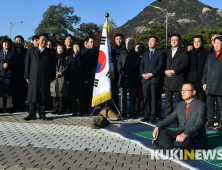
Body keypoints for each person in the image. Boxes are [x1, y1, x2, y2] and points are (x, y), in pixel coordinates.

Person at [153, 81, 207, 150]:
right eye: (182, 90)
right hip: (180, 134)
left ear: (194, 92)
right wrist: (158, 126)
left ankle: (163, 143)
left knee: (186, 142)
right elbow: (170, 118)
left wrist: (185, 134)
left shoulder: (201, 105)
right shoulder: (180, 104)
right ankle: (170, 148)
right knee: (162, 131)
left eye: (186, 90)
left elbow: (199, 124)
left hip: (194, 136)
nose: (183, 92)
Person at [24, 33, 56, 120]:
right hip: (33, 76)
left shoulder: (50, 52)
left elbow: (53, 66)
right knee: (32, 95)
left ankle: (42, 114)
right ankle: (32, 113)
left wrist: (52, 77)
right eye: (42, 40)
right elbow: (27, 64)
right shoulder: (31, 51)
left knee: (43, 95)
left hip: (44, 77)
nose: (44, 42)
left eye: (46, 40)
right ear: (38, 41)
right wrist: (27, 76)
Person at [164, 34, 189, 120]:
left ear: (179, 41)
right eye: (172, 40)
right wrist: (165, 71)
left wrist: (174, 71)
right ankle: (168, 117)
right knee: (168, 101)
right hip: (167, 79)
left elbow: (184, 64)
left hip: (178, 79)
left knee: (179, 101)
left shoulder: (184, 51)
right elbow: (162, 63)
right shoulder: (166, 52)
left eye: (175, 40)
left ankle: (179, 118)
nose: (173, 41)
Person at [140, 36, 165, 123]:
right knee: (146, 97)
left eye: (152, 41)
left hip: (154, 79)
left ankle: (153, 115)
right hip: (145, 79)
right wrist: (143, 74)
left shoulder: (160, 53)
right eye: (149, 41)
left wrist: (151, 74)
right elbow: (141, 66)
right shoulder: (145, 53)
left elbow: (160, 66)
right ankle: (146, 114)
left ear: (157, 43)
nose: (150, 42)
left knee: (154, 98)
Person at [203, 36, 222, 131]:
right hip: (210, 84)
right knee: (209, 104)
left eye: (219, 43)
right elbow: (205, 70)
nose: (217, 45)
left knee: (220, 106)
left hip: (220, 85)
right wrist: (204, 82)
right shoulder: (210, 56)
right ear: (213, 44)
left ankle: (221, 123)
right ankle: (210, 121)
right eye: (215, 43)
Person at [117, 38, 140, 119]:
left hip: (131, 78)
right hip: (122, 78)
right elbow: (119, 63)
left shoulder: (136, 54)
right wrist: (122, 71)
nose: (128, 46)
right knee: (122, 96)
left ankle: (131, 112)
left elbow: (135, 65)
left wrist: (126, 72)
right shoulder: (122, 53)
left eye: (130, 44)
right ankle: (123, 112)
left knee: (132, 97)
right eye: (126, 44)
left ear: (133, 45)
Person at [66, 42, 89, 117]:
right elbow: (68, 70)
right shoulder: (70, 57)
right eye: (75, 47)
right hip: (72, 80)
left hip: (81, 80)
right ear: (73, 49)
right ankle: (74, 111)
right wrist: (67, 79)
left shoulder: (84, 57)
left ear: (80, 48)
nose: (76, 48)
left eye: (78, 47)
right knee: (73, 98)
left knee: (81, 97)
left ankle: (81, 111)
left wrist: (86, 79)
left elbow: (86, 69)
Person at [187, 35, 210, 103]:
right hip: (191, 81)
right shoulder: (189, 53)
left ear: (202, 42)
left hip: (201, 82)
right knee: (190, 102)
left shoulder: (207, 53)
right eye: (195, 42)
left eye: (198, 42)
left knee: (202, 102)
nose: (196, 43)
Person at [107, 33, 126, 112]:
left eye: (120, 39)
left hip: (123, 73)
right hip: (114, 73)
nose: (119, 40)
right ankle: (113, 109)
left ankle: (123, 110)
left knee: (123, 94)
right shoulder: (111, 49)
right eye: (117, 39)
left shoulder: (126, 49)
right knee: (113, 92)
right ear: (114, 40)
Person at [50, 43, 69, 115]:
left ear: (63, 49)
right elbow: (51, 66)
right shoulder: (53, 57)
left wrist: (61, 73)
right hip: (54, 78)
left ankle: (61, 109)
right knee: (54, 95)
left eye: (61, 48)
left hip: (62, 77)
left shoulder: (66, 57)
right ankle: (55, 109)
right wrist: (54, 73)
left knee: (61, 95)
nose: (59, 50)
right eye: (58, 48)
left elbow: (67, 67)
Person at [0, 38, 17, 113]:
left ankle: (9, 107)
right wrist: (1, 65)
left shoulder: (13, 52)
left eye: (8, 43)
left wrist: (9, 65)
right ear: (2, 44)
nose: (7, 44)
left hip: (10, 73)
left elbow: (16, 62)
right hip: (1, 73)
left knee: (9, 92)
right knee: (0, 91)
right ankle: (0, 107)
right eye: (5, 43)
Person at [83, 36, 99, 113]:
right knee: (86, 92)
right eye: (91, 42)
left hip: (95, 74)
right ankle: (86, 106)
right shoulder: (84, 52)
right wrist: (88, 71)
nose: (92, 43)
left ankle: (93, 107)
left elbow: (100, 62)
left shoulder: (98, 52)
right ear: (87, 43)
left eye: (93, 42)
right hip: (86, 75)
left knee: (94, 92)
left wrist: (95, 69)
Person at [13, 35, 28, 112]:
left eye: (20, 41)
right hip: (13, 74)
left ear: (23, 42)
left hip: (23, 74)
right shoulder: (12, 51)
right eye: (17, 41)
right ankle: (15, 105)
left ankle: (21, 106)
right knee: (14, 90)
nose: (18, 42)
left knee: (22, 91)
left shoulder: (26, 51)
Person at [135, 43, 145, 115]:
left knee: (144, 94)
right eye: (136, 48)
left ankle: (144, 110)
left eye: (139, 48)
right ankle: (137, 109)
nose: (138, 49)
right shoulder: (134, 57)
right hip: (136, 78)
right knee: (137, 94)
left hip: (144, 77)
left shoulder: (145, 56)